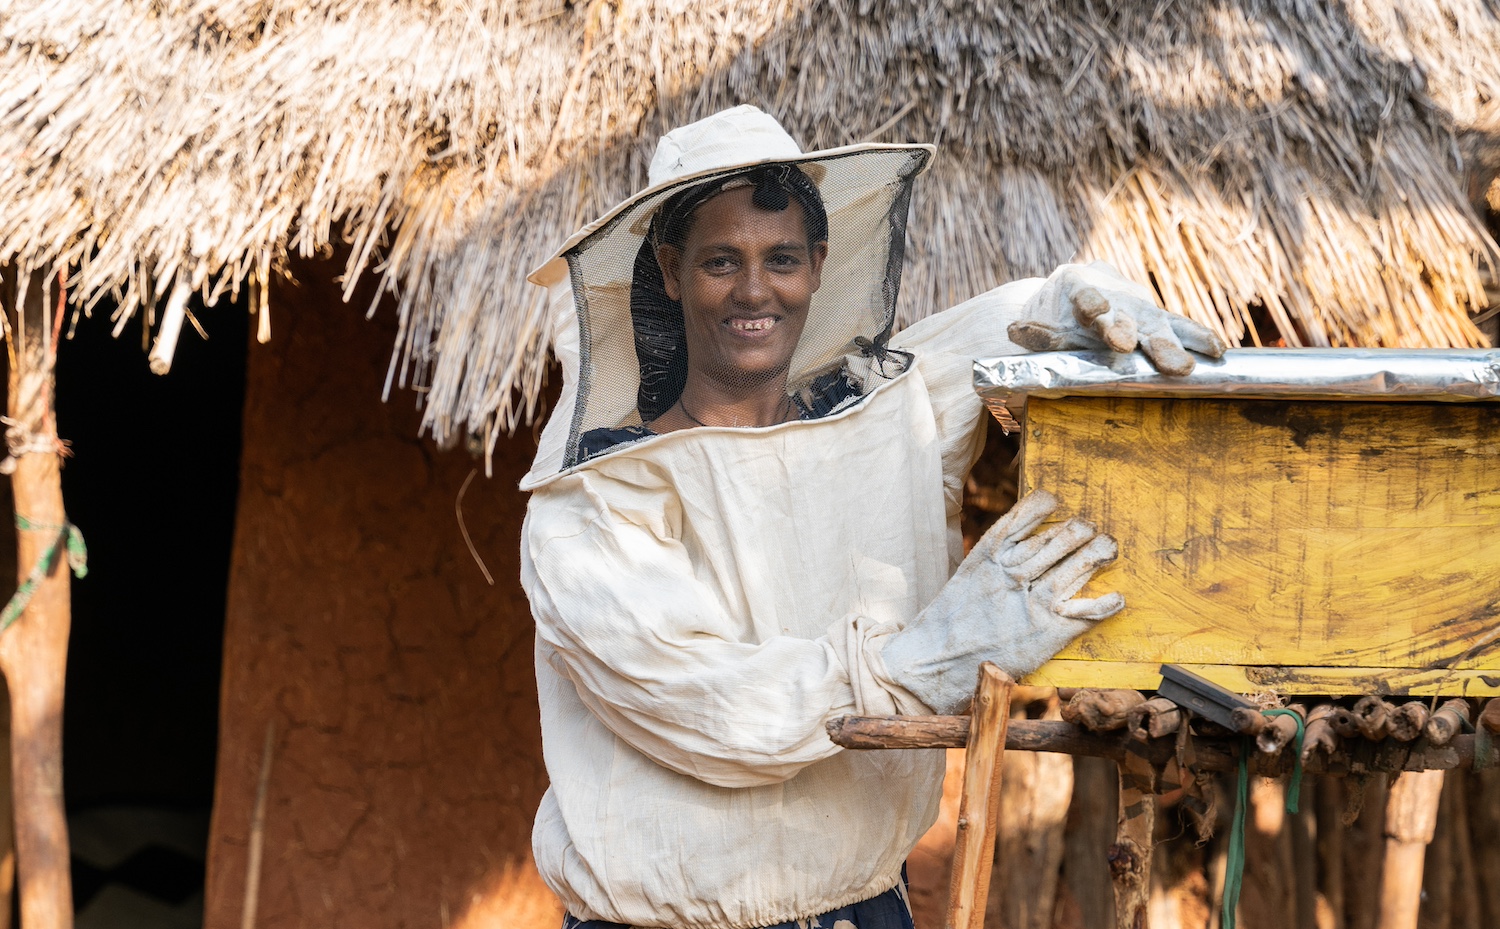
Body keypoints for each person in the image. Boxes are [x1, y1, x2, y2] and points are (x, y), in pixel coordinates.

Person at [519, 106, 1225, 929]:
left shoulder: (884, 417)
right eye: (721, 260)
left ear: (819, 264)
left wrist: (1080, 296)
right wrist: (921, 660)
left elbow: (1019, 321)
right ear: (670, 271)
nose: (755, 290)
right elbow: (718, 712)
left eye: (781, 257)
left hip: (865, 911)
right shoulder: (592, 504)